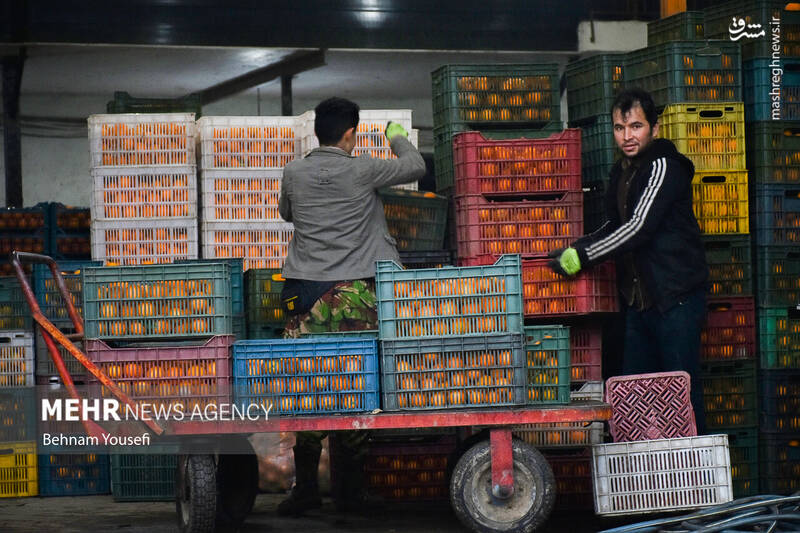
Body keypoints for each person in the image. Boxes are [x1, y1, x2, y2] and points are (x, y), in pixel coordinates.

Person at [276, 96, 425, 516]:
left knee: (308, 392)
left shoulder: (294, 171)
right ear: (351, 133)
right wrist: (396, 136)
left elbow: (288, 213)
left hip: (305, 298)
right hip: (355, 297)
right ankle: (350, 491)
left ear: (317, 131)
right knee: (355, 388)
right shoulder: (363, 168)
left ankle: (305, 488)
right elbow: (416, 166)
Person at [549, 87, 708, 432]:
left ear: (655, 126)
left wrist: (585, 256)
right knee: (638, 399)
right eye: (620, 128)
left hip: (675, 299)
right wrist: (576, 246)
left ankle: (704, 480)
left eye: (636, 126)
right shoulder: (622, 171)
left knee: (683, 397)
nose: (627, 136)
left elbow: (638, 228)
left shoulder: (665, 166)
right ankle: (653, 479)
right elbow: (614, 225)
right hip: (640, 303)